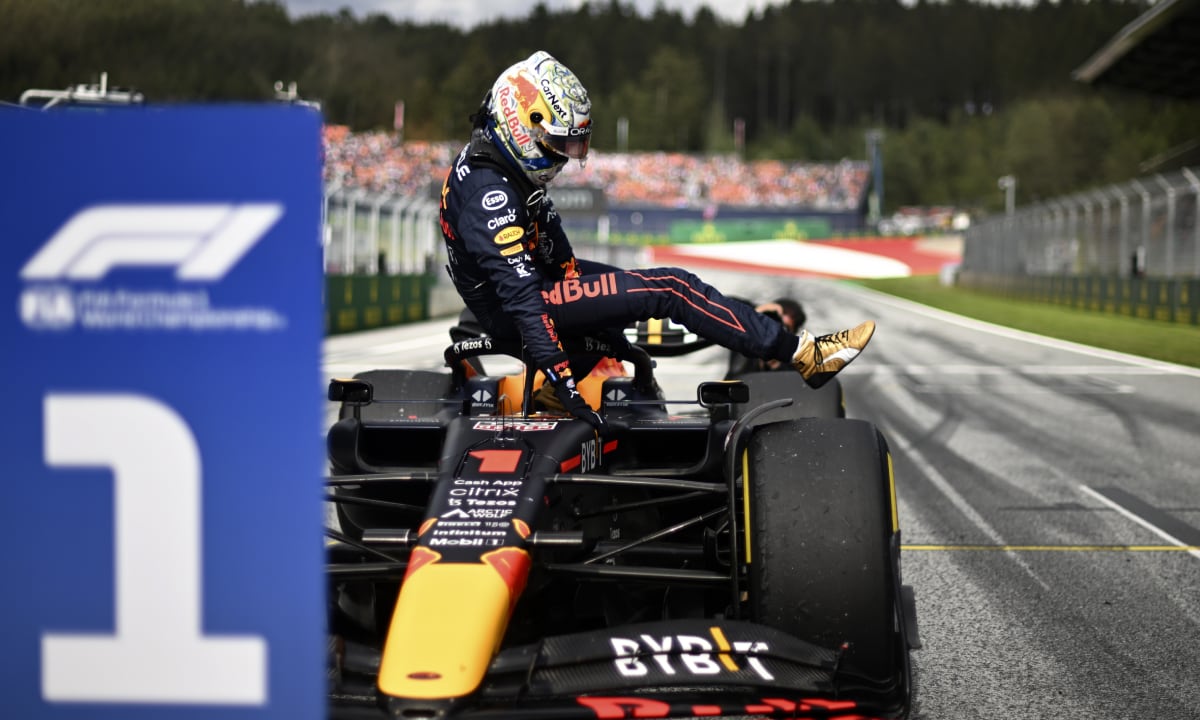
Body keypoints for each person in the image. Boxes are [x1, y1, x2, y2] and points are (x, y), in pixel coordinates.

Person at [437, 50, 875, 430]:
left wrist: (602, 311)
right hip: (520, 304)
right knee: (672, 288)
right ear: (520, 123)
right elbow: (523, 300)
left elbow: (556, 253)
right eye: (558, 143)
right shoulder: (490, 194)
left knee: (639, 293)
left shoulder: (497, 163)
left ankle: (783, 343)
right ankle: (804, 355)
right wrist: (563, 382)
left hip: (525, 291)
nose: (566, 157)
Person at [725, 297, 807, 378]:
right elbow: (720, 307)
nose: (774, 331)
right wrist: (755, 314)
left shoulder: (794, 364)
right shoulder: (744, 338)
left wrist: (776, 364)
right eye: (772, 323)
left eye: (784, 328)